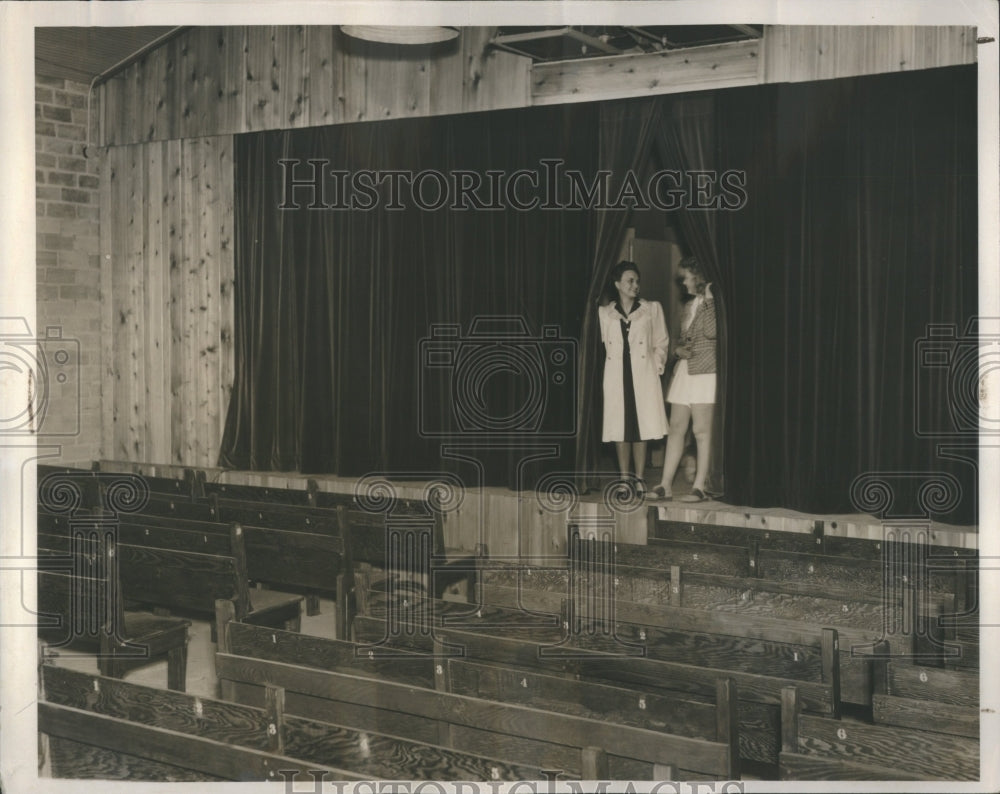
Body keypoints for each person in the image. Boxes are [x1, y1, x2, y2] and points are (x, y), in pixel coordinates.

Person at [599, 261, 669, 496]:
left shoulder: (652, 309)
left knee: (642, 427)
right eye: (630, 280)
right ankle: (624, 479)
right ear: (617, 284)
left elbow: (661, 341)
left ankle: (639, 478)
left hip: (643, 375)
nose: (635, 285)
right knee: (620, 427)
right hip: (617, 376)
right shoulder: (604, 313)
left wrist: (656, 365)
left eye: (637, 280)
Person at [651, 256, 717, 502]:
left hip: (706, 373)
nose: (682, 282)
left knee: (701, 430)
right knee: (676, 427)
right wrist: (677, 351)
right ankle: (665, 485)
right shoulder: (689, 306)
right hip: (685, 372)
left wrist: (709, 300)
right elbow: (682, 340)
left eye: (686, 277)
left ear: (698, 277)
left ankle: (700, 486)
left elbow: (712, 332)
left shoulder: (713, 303)